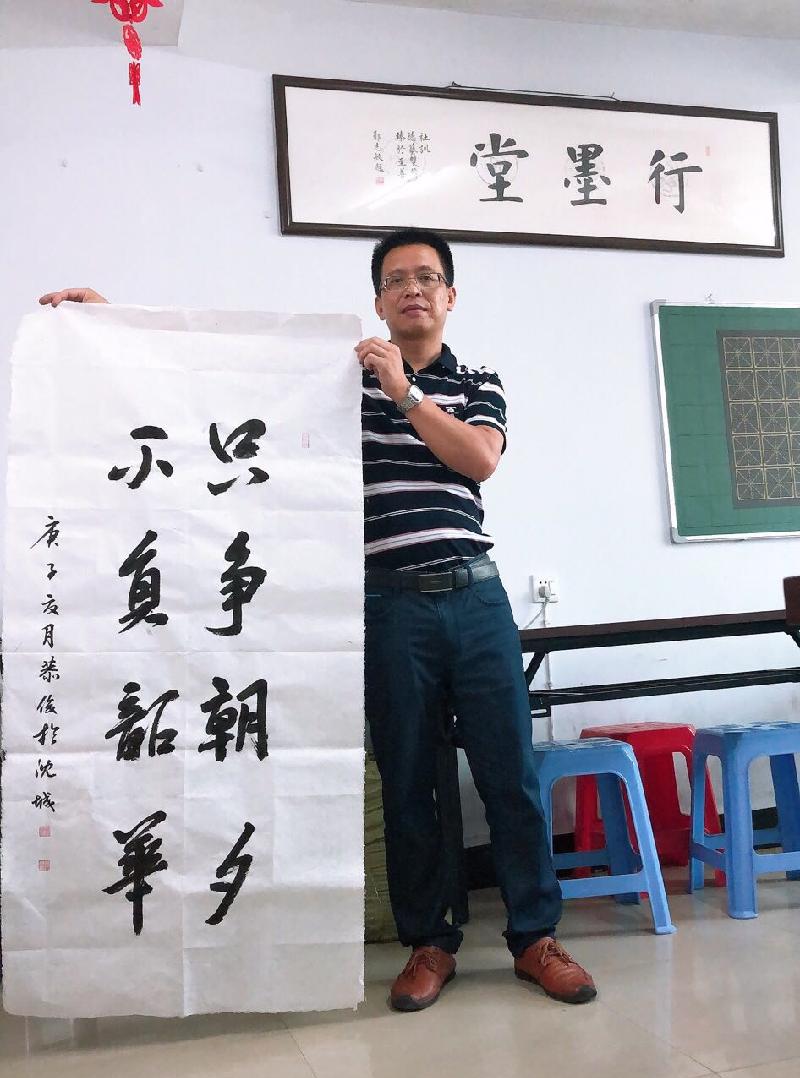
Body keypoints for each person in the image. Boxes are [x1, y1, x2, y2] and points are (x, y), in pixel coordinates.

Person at [40, 228, 596, 1012]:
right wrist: (117, 327)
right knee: (407, 779)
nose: (413, 289)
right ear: (377, 300)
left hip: (476, 598)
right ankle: (430, 942)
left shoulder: (478, 382)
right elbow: (224, 381)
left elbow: (478, 458)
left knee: (511, 773)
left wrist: (406, 393)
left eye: (427, 277)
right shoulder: (339, 383)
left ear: (450, 295)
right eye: (396, 279)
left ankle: (535, 936)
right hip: (388, 603)